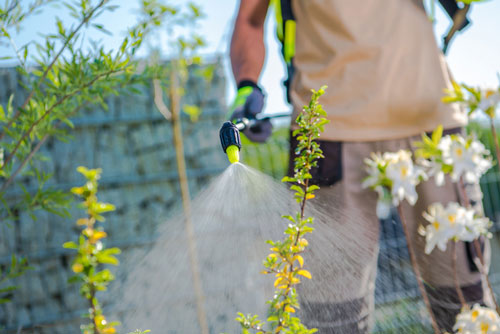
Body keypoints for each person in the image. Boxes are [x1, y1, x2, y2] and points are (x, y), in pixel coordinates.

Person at [228, 0, 489, 333]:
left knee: (465, 304)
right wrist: (246, 85)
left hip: (430, 123)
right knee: (331, 317)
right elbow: (250, 19)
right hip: (326, 131)